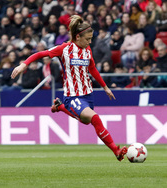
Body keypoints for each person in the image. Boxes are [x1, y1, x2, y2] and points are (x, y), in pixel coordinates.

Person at [11, 15, 127, 161]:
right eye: (87, 39)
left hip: (88, 94)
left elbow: (92, 69)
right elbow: (42, 53)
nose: (90, 42)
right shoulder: (64, 49)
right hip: (73, 96)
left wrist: (105, 87)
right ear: (78, 37)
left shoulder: (87, 49)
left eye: (91, 39)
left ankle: (59, 107)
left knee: (86, 121)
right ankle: (116, 150)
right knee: (95, 119)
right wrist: (24, 64)